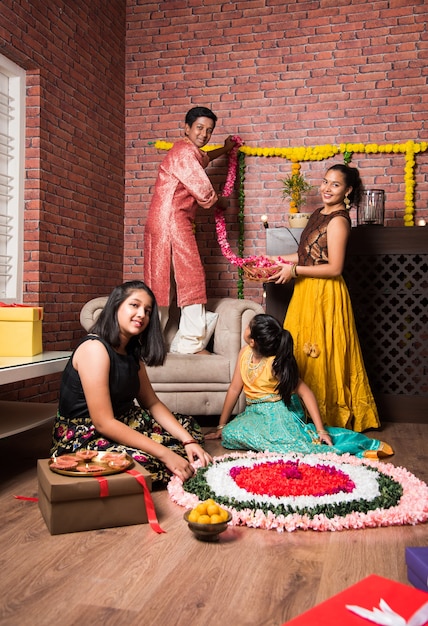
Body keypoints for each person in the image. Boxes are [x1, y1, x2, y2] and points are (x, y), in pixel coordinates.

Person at [51, 280, 212, 485]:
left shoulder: (131, 351)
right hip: (87, 435)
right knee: (150, 464)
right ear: (116, 305)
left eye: (147, 310)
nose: (142, 315)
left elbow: (151, 403)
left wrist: (187, 440)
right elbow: (103, 422)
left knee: (188, 429)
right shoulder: (95, 349)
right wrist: (165, 454)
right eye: (134, 305)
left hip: (125, 420)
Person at [270, 164, 379, 432]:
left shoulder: (339, 220)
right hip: (306, 290)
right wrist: (276, 260)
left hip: (326, 293)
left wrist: (293, 270)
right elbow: (308, 256)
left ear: (348, 191)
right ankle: (302, 411)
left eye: (335, 185)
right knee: (298, 352)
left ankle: (326, 414)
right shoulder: (319, 213)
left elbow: (334, 268)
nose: (326, 188)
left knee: (322, 353)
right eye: (325, 182)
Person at [206, 314, 393, 459]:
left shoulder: (274, 364)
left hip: (278, 412)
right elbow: (234, 389)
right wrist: (221, 426)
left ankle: (359, 447)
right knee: (229, 435)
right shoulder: (244, 353)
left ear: (253, 340)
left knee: (295, 445)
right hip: (256, 412)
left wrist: (320, 430)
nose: (245, 327)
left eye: (248, 326)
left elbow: (306, 393)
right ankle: (264, 439)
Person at [144, 106, 238, 355]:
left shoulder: (185, 151)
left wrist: (226, 150)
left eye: (209, 131)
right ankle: (191, 343)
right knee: (191, 276)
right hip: (172, 220)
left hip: (162, 219)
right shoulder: (185, 153)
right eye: (199, 128)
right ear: (186, 128)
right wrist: (223, 202)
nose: (205, 134)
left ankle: (152, 343)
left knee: (160, 281)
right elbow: (205, 193)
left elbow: (204, 158)